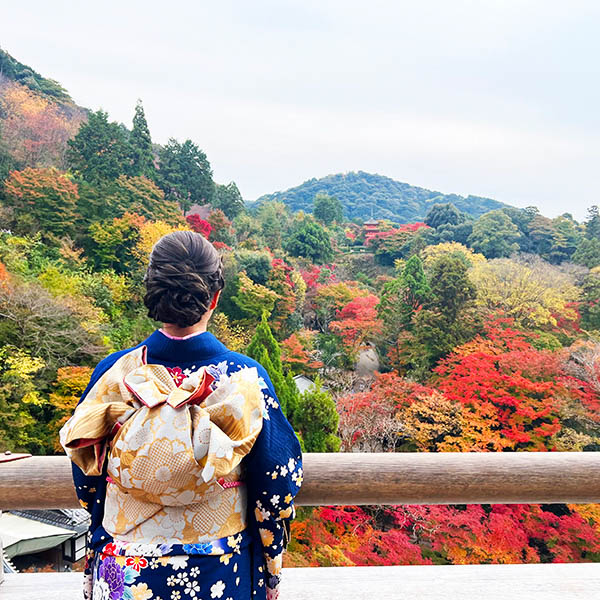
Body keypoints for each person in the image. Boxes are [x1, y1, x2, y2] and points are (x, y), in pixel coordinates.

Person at [60, 230, 303, 600]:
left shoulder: (114, 373)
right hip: (218, 565)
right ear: (215, 298)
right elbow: (275, 482)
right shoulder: (244, 377)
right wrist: (270, 563)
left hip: (124, 562)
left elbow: (87, 476)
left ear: (153, 293)